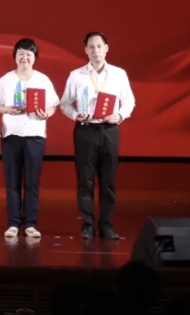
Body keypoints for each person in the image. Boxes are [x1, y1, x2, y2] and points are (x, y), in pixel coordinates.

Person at [59, 31, 136, 240]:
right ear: (85, 50)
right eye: (91, 47)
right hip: (85, 130)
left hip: (110, 130)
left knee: (108, 181)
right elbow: (64, 103)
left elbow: (129, 101)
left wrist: (119, 115)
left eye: (99, 46)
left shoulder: (118, 74)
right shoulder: (76, 75)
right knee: (85, 181)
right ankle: (87, 224)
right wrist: (75, 114)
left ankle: (107, 224)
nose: (95, 51)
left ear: (106, 48)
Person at [0, 37, 59, 239]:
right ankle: (13, 223)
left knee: (32, 182)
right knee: (12, 182)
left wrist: (46, 113)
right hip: (11, 135)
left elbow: (53, 105)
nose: (24, 58)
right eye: (20, 54)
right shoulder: (6, 79)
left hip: (35, 136)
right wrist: (6, 109)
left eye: (29, 54)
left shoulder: (43, 80)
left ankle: (30, 223)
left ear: (34, 57)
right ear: (15, 56)